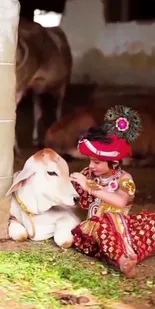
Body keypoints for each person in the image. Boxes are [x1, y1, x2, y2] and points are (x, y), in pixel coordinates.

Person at [70, 105, 155, 278]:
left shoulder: (125, 180)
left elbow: (120, 202)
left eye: (96, 162)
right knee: (107, 222)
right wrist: (77, 185)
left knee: (149, 223)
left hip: (123, 228)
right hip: (95, 231)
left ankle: (130, 253)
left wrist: (90, 187)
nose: (91, 166)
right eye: (90, 161)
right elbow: (79, 199)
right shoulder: (89, 175)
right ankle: (123, 260)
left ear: (114, 163)